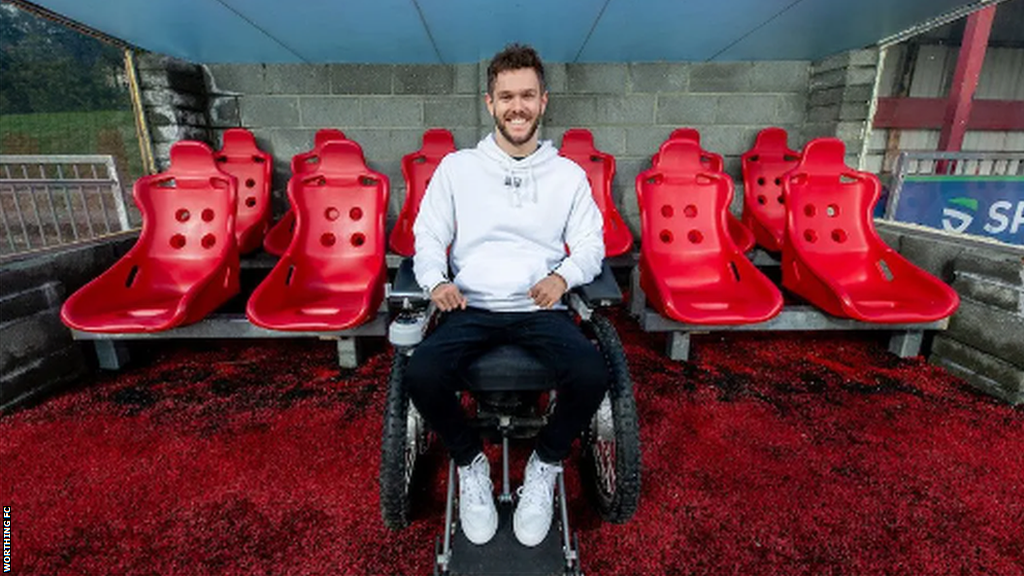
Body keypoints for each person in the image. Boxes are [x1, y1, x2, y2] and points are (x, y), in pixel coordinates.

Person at [405, 43, 608, 548]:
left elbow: (591, 244)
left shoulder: (568, 176)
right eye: (506, 96)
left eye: (527, 95)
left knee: (591, 372)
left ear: (543, 101)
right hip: (471, 305)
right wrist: (436, 282)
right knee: (421, 372)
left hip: (539, 306)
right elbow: (428, 235)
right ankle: (470, 460)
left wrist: (563, 277)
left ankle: (545, 462)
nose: (517, 106)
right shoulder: (457, 169)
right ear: (489, 103)